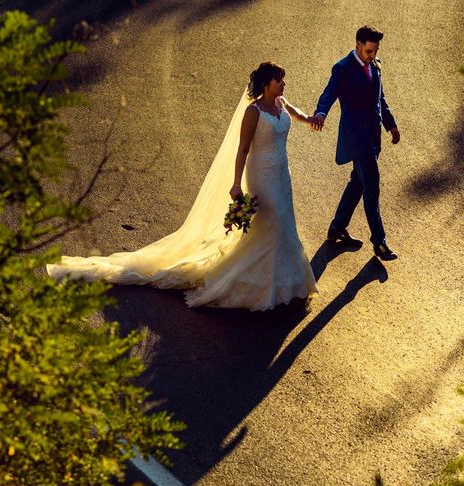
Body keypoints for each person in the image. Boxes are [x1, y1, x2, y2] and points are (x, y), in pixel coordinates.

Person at [47, 62, 317, 311]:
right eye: (279, 81)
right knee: (274, 221)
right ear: (266, 84)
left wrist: (312, 119)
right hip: (261, 175)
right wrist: (236, 184)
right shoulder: (253, 111)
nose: (283, 85)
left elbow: (297, 115)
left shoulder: (280, 103)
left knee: (281, 223)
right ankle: (258, 286)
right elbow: (243, 149)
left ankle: (283, 284)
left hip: (282, 174)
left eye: (282, 81)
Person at [310, 25, 401, 261]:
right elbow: (329, 93)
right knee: (372, 186)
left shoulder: (376, 65)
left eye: (375, 51)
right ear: (357, 46)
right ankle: (379, 243)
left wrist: (390, 124)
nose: (372, 56)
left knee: (357, 184)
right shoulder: (343, 69)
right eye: (369, 51)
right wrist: (321, 113)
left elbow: (380, 98)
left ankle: (337, 227)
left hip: (372, 138)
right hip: (357, 140)